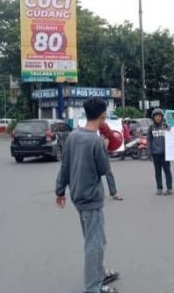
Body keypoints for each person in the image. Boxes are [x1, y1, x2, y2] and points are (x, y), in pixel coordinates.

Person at [55, 97, 120, 293]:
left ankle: (99, 273)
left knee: (95, 238)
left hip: (77, 195)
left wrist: (60, 191)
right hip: (91, 198)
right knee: (96, 243)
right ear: (102, 116)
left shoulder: (74, 135)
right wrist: (106, 145)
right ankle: (94, 287)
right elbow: (103, 169)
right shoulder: (95, 141)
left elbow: (65, 165)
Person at [147, 108, 172, 195]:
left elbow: (172, 135)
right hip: (155, 153)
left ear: (162, 117)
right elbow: (149, 140)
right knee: (158, 172)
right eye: (156, 116)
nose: (158, 118)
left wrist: (169, 129)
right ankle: (159, 188)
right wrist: (149, 152)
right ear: (153, 117)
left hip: (165, 153)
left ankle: (169, 188)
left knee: (167, 171)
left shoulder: (165, 126)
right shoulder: (151, 128)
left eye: (160, 116)